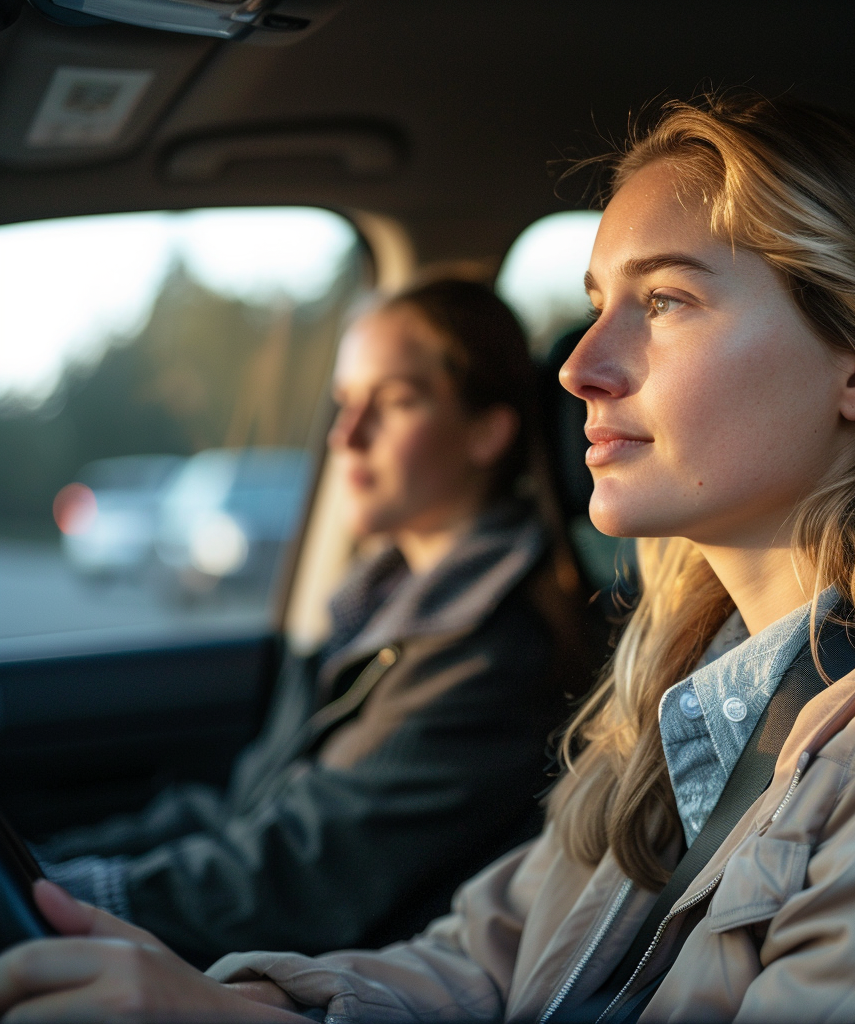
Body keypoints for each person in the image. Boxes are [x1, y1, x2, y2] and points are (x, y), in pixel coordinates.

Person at [3, 93, 855, 1023]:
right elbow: (482, 967)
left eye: (664, 301)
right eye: (594, 303)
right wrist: (229, 1004)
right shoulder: (679, 688)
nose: (580, 366)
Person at [31, 278, 597, 966]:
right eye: (344, 403)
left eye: (392, 403)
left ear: (487, 432)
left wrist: (74, 901)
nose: (345, 436)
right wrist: (49, 868)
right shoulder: (373, 605)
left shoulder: (496, 656)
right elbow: (247, 807)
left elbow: (302, 873)